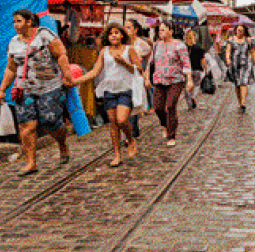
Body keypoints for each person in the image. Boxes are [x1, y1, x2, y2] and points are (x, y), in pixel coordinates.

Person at [0, 9, 76, 176]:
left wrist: (67, 74)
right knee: (27, 126)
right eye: (14, 22)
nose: (15, 25)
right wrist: (3, 89)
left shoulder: (44, 35)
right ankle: (31, 162)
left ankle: (62, 143)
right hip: (24, 89)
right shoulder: (14, 43)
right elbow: (11, 68)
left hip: (49, 87)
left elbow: (61, 54)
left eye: (19, 21)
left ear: (29, 21)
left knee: (50, 121)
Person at [76, 23, 141, 166]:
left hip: (125, 89)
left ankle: (130, 139)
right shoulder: (104, 51)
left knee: (122, 120)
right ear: (107, 36)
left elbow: (139, 69)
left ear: (122, 35)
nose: (114, 36)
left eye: (117, 33)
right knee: (113, 124)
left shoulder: (129, 50)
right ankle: (117, 155)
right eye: (111, 33)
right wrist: (76, 80)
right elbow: (95, 71)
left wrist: (124, 62)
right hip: (109, 91)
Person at [144, 21, 193, 147]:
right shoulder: (156, 45)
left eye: (163, 30)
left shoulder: (179, 45)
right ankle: (165, 125)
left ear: (171, 31)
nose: (161, 32)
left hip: (175, 80)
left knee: (171, 106)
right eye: (159, 30)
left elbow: (186, 63)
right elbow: (150, 62)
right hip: (159, 80)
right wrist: (146, 77)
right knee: (158, 107)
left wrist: (189, 79)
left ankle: (172, 135)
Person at [125, 19, 151, 139]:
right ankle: (131, 132)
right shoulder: (122, 42)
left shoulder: (142, 44)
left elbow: (148, 58)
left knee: (134, 105)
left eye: (129, 27)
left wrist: (146, 75)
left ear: (135, 30)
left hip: (136, 78)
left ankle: (132, 131)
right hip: (123, 78)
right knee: (126, 106)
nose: (126, 29)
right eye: (125, 27)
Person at [227, 25, 255, 112]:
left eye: (241, 30)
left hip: (245, 64)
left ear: (244, 31)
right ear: (235, 31)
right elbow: (228, 50)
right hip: (235, 64)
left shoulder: (248, 40)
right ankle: (240, 102)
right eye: (238, 30)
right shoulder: (231, 39)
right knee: (237, 84)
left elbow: (252, 51)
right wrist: (228, 59)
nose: (239, 32)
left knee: (244, 82)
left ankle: (243, 103)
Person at [183, 30, 207, 110]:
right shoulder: (198, 47)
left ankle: (189, 103)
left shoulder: (184, 47)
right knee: (197, 85)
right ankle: (193, 97)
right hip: (197, 69)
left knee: (187, 87)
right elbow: (203, 60)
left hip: (187, 71)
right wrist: (206, 69)